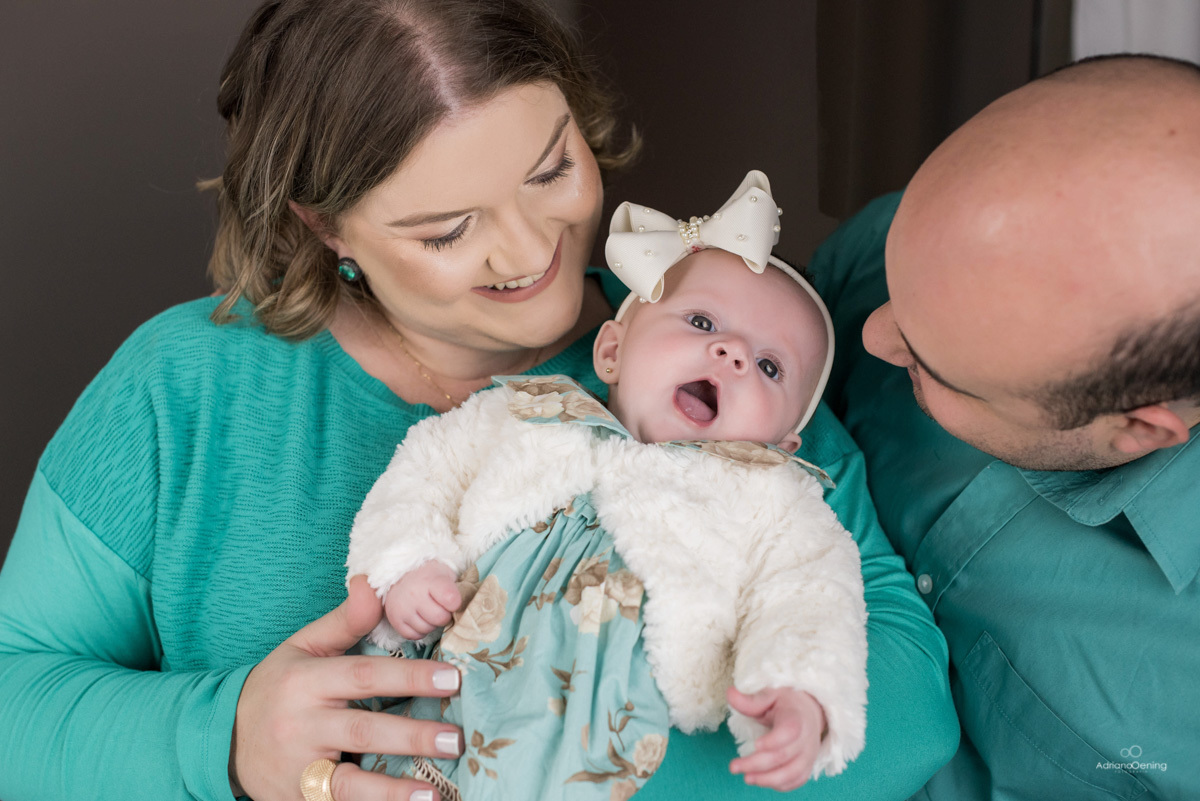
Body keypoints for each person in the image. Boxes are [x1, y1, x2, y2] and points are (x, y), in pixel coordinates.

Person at [0, 1, 957, 800]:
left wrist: (582, 764)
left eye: (551, 170)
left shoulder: (719, 371)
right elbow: (14, 701)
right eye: (449, 229)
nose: (529, 251)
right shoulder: (184, 386)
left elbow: (907, 701)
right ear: (324, 223)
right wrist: (227, 739)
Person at [346, 172, 867, 799]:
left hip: (600, 761)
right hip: (440, 722)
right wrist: (409, 564)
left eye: (769, 366)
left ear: (783, 445)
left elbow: (811, 597)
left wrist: (800, 697)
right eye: (702, 321)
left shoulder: (774, 501)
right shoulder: (528, 414)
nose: (730, 352)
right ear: (612, 353)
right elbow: (426, 467)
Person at [808, 54, 1200, 800]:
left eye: (928, 364)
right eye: (892, 287)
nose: (872, 336)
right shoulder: (928, 235)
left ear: (1137, 429)